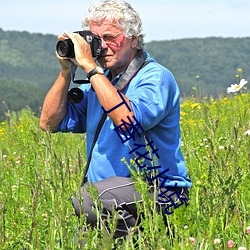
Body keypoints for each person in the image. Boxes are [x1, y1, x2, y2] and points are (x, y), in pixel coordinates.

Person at [40, 0, 192, 244]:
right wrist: (66, 70)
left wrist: (90, 68)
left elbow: (129, 121)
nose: (102, 47)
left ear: (133, 39)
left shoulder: (154, 77)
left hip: (159, 191)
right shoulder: (99, 83)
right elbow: (49, 123)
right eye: (96, 39)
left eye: (110, 37)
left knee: (87, 200)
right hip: (110, 198)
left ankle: (148, 238)